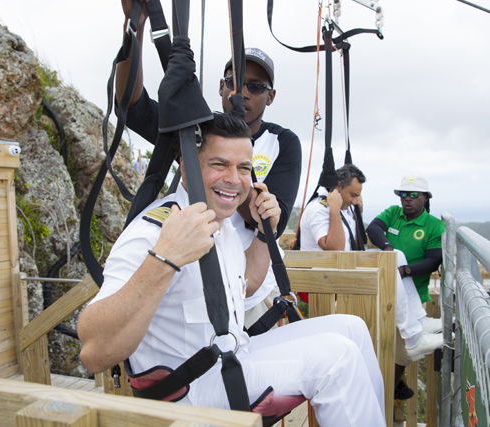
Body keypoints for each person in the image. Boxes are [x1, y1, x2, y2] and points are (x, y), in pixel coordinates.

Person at [78, 113, 386, 427]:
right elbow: (94, 352)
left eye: (244, 168)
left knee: (352, 328)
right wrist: (164, 258)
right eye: (219, 164)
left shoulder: (219, 225)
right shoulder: (154, 230)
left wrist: (266, 232)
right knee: (337, 358)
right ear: (186, 167)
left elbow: (247, 284)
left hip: (233, 356)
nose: (234, 179)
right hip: (187, 392)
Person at [116, 0, 302, 327]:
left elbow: (272, 217)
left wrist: (218, 172)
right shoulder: (193, 133)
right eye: (233, 81)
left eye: (255, 86)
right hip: (198, 285)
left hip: (256, 291)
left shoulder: (283, 143)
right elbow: (132, 106)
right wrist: (135, 26)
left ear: (270, 96)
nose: (240, 92)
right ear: (220, 86)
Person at [300, 168, 442, 401]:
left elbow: (355, 240)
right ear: (337, 188)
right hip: (330, 283)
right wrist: (335, 207)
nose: (356, 200)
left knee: (395, 255)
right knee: (391, 259)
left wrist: (353, 210)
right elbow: (334, 246)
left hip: (344, 275)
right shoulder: (320, 210)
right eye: (353, 195)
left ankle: (417, 323)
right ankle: (413, 336)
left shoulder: (345, 210)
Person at [366, 175, 445, 400]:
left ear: (425, 198)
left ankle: (386, 395)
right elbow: (373, 228)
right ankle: (384, 393)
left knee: (401, 353)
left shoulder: (433, 226)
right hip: (383, 290)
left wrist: (404, 271)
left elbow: (433, 261)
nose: (407, 200)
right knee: (380, 345)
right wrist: (388, 248)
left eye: (413, 195)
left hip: (411, 294)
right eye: (403, 195)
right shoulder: (393, 213)